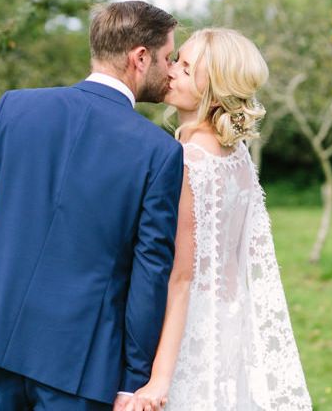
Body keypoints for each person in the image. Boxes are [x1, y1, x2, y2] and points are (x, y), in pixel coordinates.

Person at [0, 0, 184, 411]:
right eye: (168, 56)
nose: (172, 68)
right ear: (140, 58)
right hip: (82, 364)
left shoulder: (14, 108)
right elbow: (150, 273)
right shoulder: (158, 152)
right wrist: (134, 379)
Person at [130, 28, 313, 411]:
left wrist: (158, 380)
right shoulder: (236, 155)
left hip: (190, 332)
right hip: (231, 323)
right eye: (176, 60)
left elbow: (180, 278)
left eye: (186, 66)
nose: (172, 70)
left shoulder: (188, 161)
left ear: (211, 86)